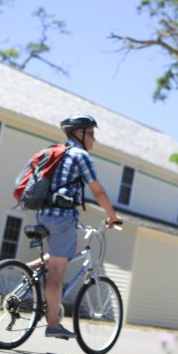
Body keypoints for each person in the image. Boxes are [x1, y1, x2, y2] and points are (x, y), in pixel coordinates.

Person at [37, 113, 121, 339]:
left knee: (70, 249)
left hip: (43, 214)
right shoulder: (80, 155)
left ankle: (34, 265)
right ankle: (53, 324)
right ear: (79, 134)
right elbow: (97, 190)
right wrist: (112, 215)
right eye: (91, 134)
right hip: (62, 216)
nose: (94, 139)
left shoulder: (55, 152)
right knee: (57, 272)